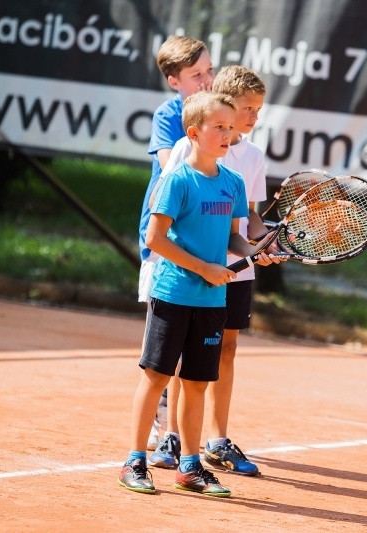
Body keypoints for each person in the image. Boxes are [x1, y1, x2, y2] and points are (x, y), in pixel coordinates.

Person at [118, 91, 269, 497]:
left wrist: (255, 252)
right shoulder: (177, 181)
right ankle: (134, 460)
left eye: (230, 127)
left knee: (198, 382)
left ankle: (190, 465)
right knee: (157, 377)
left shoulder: (234, 184)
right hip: (172, 293)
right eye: (218, 127)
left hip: (211, 303)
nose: (227, 133)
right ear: (194, 132)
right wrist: (204, 268)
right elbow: (155, 239)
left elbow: (234, 238)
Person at [135, 35, 216, 451]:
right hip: (163, 242)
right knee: (161, 347)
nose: (207, 80)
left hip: (205, 245)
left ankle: (178, 433)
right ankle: (155, 423)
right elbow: (174, 170)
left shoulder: (219, 117)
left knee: (191, 349)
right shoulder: (169, 116)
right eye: (196, 74)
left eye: (209, 70)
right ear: (174, 81)